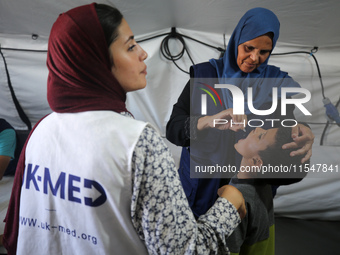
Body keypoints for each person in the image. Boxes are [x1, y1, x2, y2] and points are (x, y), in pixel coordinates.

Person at [3, 3, 247, 255]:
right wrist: (230, 204)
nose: (143, 53)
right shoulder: (136, 141)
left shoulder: (43, 129)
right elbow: (185, 251)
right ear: (95, 60)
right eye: (130, 46)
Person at [166, 7, 315, 217]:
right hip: (200, 192)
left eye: (264, 52)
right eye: (248, 48)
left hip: (248, 201)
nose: (254, 58)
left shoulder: (278, 86)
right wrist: (206, 121)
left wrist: (303, 132)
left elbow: (284, 138)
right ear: (236, 41)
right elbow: (173, 129)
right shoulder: (204, 76)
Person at [224, 126, 309, 255]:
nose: (257, 128)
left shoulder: (236, 202)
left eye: (260, 136)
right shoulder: (264, 187)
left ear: (256, 161)